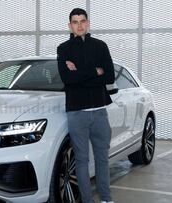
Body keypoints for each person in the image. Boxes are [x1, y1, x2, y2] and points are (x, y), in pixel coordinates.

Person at [57, 8, 115, 203]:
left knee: (102, 159)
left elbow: (109, 76)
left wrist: (79, 72)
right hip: (77, 113)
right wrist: (95, 71)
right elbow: (68, 79)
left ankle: (106, 199)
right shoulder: (63, 49)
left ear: (88, 23)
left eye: (83, 21)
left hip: (100, 112)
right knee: (82, 161)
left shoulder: (100, 46)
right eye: (75, 22)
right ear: (69, 25)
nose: (79, 25)